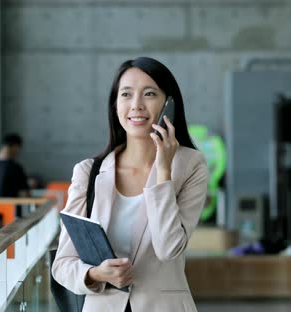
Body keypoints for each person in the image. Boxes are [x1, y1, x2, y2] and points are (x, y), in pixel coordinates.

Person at [52, 57, 208, 312]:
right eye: (126, 94)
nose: (136, 105)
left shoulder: (191, 166)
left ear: (168, 104)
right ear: (115, 105)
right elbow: (62, 264)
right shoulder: (88, 172)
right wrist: (95, 274)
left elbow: (169, 249)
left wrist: (163, 170)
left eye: (149, 94)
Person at [0, 133, 29, 198]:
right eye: (18, 148)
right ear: (15, 147)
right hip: (12, 207)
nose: (18, 151)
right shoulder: (15, 167)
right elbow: (23, 192)